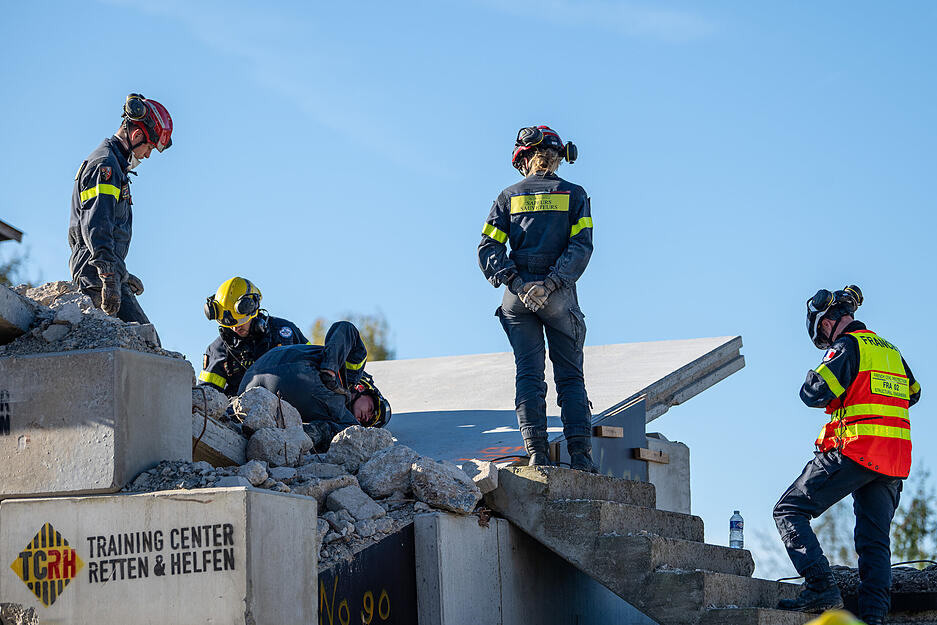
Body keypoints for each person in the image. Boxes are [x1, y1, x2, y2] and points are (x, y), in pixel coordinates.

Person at [774, 285, 921, 625]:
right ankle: (873, 619)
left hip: (855, 450)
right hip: (892, 462)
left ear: (827, 321)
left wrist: (829, 371)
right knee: (874, 544)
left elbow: (812, 393)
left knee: (788, 510)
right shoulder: (891, 350)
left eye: (822, 330)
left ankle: (820, 587)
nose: (824, 336)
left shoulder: (847, 346)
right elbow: (914, 392)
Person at [477, 125, 595, 472]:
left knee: (529, 376)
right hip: (557, 295)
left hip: (519, 297)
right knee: (570, 378)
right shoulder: (575, 195)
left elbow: (488, 248)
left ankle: (536, 455)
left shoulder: (507, 196)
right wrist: (553, 282)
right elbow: (581, 246)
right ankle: (581, 460)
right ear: (560, 157)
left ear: (523, 158)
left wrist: (516, 282)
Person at [68, 93, 173, 328]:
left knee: (144, 342)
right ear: (136, 135)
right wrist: (109, 276)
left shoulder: (114, 165)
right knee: (147, 344)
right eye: (149, 148)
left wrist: (121, 274)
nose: (147, 155)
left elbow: (105, 229)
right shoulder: (105, 166)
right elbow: (96, 225)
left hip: (105, 272)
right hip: (96, 276)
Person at [238, 320, 390, 449]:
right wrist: (330, 369)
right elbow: (345, 328)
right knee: (351, 430)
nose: (367, 417)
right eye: (371, 409)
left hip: (250, 388)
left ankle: (300, 437)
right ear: (364, 390)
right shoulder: (349, 374)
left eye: (370, 421)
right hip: (298, 370)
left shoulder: (343, 417)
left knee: (351, 431)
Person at [198, 277, 309, 396]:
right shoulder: (218, 351)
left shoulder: (285, 332)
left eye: (241, 322)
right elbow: (207, 397)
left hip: (292, 408)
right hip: (242, 412)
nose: (235, 328)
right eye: (230, 326)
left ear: (254, 312)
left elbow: (314, 364)